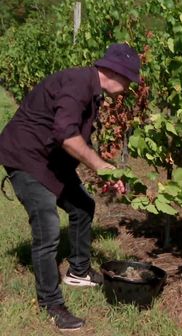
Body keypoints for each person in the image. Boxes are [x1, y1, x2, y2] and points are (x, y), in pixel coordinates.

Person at [0, 43, 141, 331]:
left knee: (82, 206)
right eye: (129, 79)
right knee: (48, 227)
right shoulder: (78, 83)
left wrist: (104, 172)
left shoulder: (90, 90)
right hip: (26, 157)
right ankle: (50, 304)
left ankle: (78, 271)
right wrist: (101, 166)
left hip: (49, 160)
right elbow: (66, 135)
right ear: (116, 72)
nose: (129, 87)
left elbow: (77, 136)